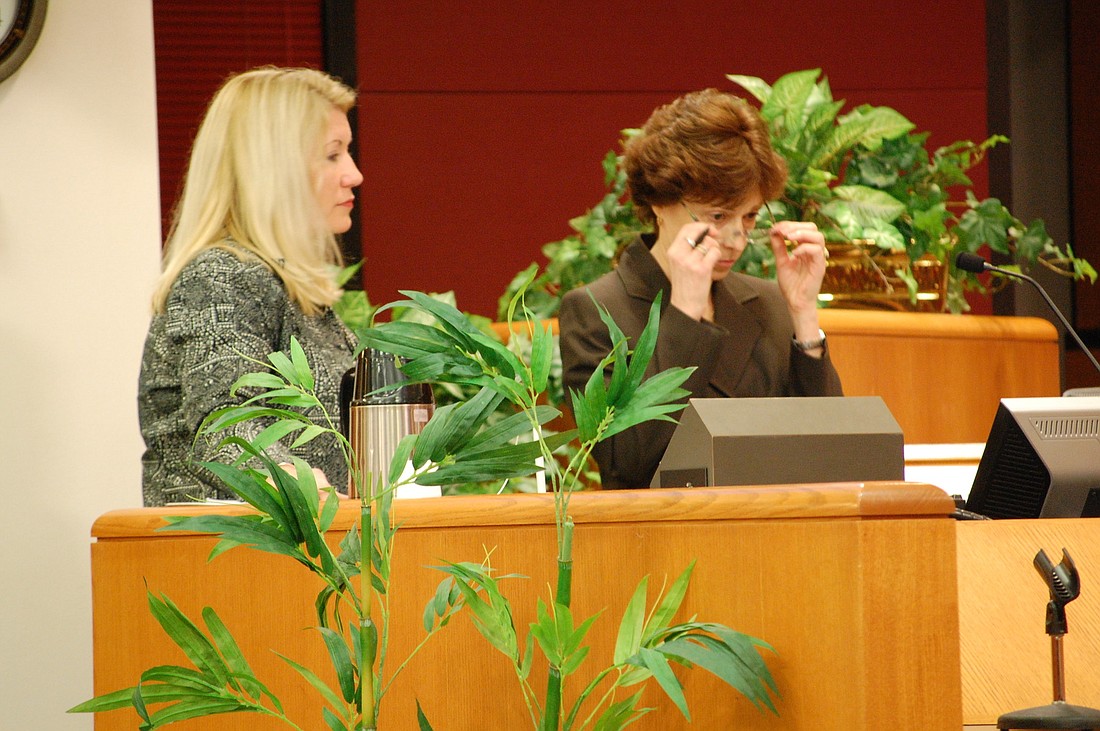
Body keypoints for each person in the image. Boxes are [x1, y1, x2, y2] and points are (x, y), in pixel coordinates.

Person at [559, 88, 843, 490]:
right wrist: (685, 314)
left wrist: (803, 314)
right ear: (660, 202)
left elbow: (832, 450)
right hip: (665, 527)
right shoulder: (596, 310)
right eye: (718, 215)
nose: (736, 239)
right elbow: (627, 461)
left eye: (749, 217)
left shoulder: (768, 302)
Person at [138, 67, 363, 506]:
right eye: (333, 155)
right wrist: (299, 485)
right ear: (274, 169)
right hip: (230, 548)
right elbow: (223, 428)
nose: (353, 174)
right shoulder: (220, 277)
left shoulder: (285, 286)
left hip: (313, 543)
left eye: (347, 153)